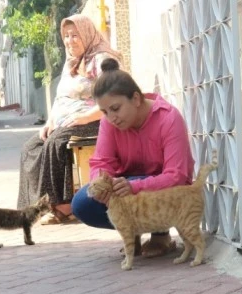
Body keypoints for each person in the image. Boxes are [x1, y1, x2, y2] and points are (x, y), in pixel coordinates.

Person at [71, 57, 195, 257]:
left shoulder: (169, 118)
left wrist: (135, 187)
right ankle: (132, 234)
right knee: (81, 204)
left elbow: (177, 176)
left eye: (115, 108)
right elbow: (102, 162)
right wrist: (101, 184)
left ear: (136, 99)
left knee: (141, 184)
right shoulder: (108, 123)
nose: (111, 118)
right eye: (104, 112)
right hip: (124, 187)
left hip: (165, 192)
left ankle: (160, 234)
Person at [17, 14, 122, 224]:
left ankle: (63, 206)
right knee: (31, 147)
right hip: (68, 121)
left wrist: (84, 118)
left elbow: (115, 97)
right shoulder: (72, 62)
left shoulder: (101, 59)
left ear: (87, 34)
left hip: (96, 120)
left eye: (75, 35)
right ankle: (37, 206)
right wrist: (49, 122)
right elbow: (60, 97)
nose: (70, 40)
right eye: (66, 36)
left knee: (56, 143)